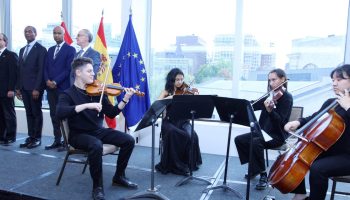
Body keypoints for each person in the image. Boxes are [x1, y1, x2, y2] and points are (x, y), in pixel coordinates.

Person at [56, 57, 138, 200]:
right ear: (78, 72)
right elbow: (60, 112)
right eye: (89, 71)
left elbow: (112, 113)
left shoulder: (99, 92)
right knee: (95, 145)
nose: (93, 74)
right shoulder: (67, 94)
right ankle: (97, 187)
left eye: (92, 71)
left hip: (98, 131)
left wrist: (125, 99)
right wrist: (86, 106)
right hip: (78, 135)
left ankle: (119, 176)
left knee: (129, 140)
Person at [285, 64, 350, 200]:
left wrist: (348, 107)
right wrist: (298, 122)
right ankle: (301, 194)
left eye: (339, 79)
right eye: (333, 80)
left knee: (318, 168)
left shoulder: (345, 104)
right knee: (300, 155)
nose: (334, 83)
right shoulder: (332, 102)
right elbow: (315, 118)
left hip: (348, 155)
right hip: (333, 150)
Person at [234, 68, 293, 190]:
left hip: (277, 135)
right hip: (263, 133)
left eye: (274, 79)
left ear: (282, 79)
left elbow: (281, 122)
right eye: (269, 80)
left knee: (256, 142)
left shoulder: (287, 98)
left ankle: (263, 175)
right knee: (239, 140)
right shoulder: (270, 95)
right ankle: (255, 168)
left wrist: (270, 111)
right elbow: (254, 105)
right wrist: (243, 104)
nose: (271, 83)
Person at [155, 68, 202, 175]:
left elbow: (195, 103)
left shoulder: (186, 90)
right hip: (169, 122)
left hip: (183, 122)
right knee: (176, 134)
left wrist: (194, 97)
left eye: (181, 79)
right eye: (177, 80)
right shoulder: (166, 91)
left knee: (192, 136)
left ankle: (189, 163)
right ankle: (177, 166)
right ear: (172, 80)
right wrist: (171, 97)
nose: (180, 82)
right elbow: (157, 104)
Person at [44, 26, 75, 150]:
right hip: (50, 88)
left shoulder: (70, 49)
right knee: (54, 114)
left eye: (59, 33)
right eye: (54, 33)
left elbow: (68, 70)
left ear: (64, 34)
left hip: (63, 88)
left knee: (64, 115)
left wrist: (56, 81)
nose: (56, 35)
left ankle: (66, 141)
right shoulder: (50, 50)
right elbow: (45, 67)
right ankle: (57, 140)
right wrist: (47, 80)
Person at [16, 26, 47, 149]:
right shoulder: (22, 49)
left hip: (34, 88)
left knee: (36, 113)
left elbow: (41, 71)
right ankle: (30, 136)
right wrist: (18, 88)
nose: (27, 33)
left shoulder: (41, 49)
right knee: (29, 113)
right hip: (24, 87)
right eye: (26, 32)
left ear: (35, 33)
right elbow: (20, 70)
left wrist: (37, 88)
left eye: (30, 31)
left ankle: (37, 138)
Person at [0, 33, 18, 145]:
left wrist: (12, 89)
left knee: (9, 114)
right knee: (0, 115)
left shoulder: (11, 55)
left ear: (5, 42)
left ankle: (11, 136)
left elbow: (14, 74)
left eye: (0, 39)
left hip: (7, 91)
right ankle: (1, 136)